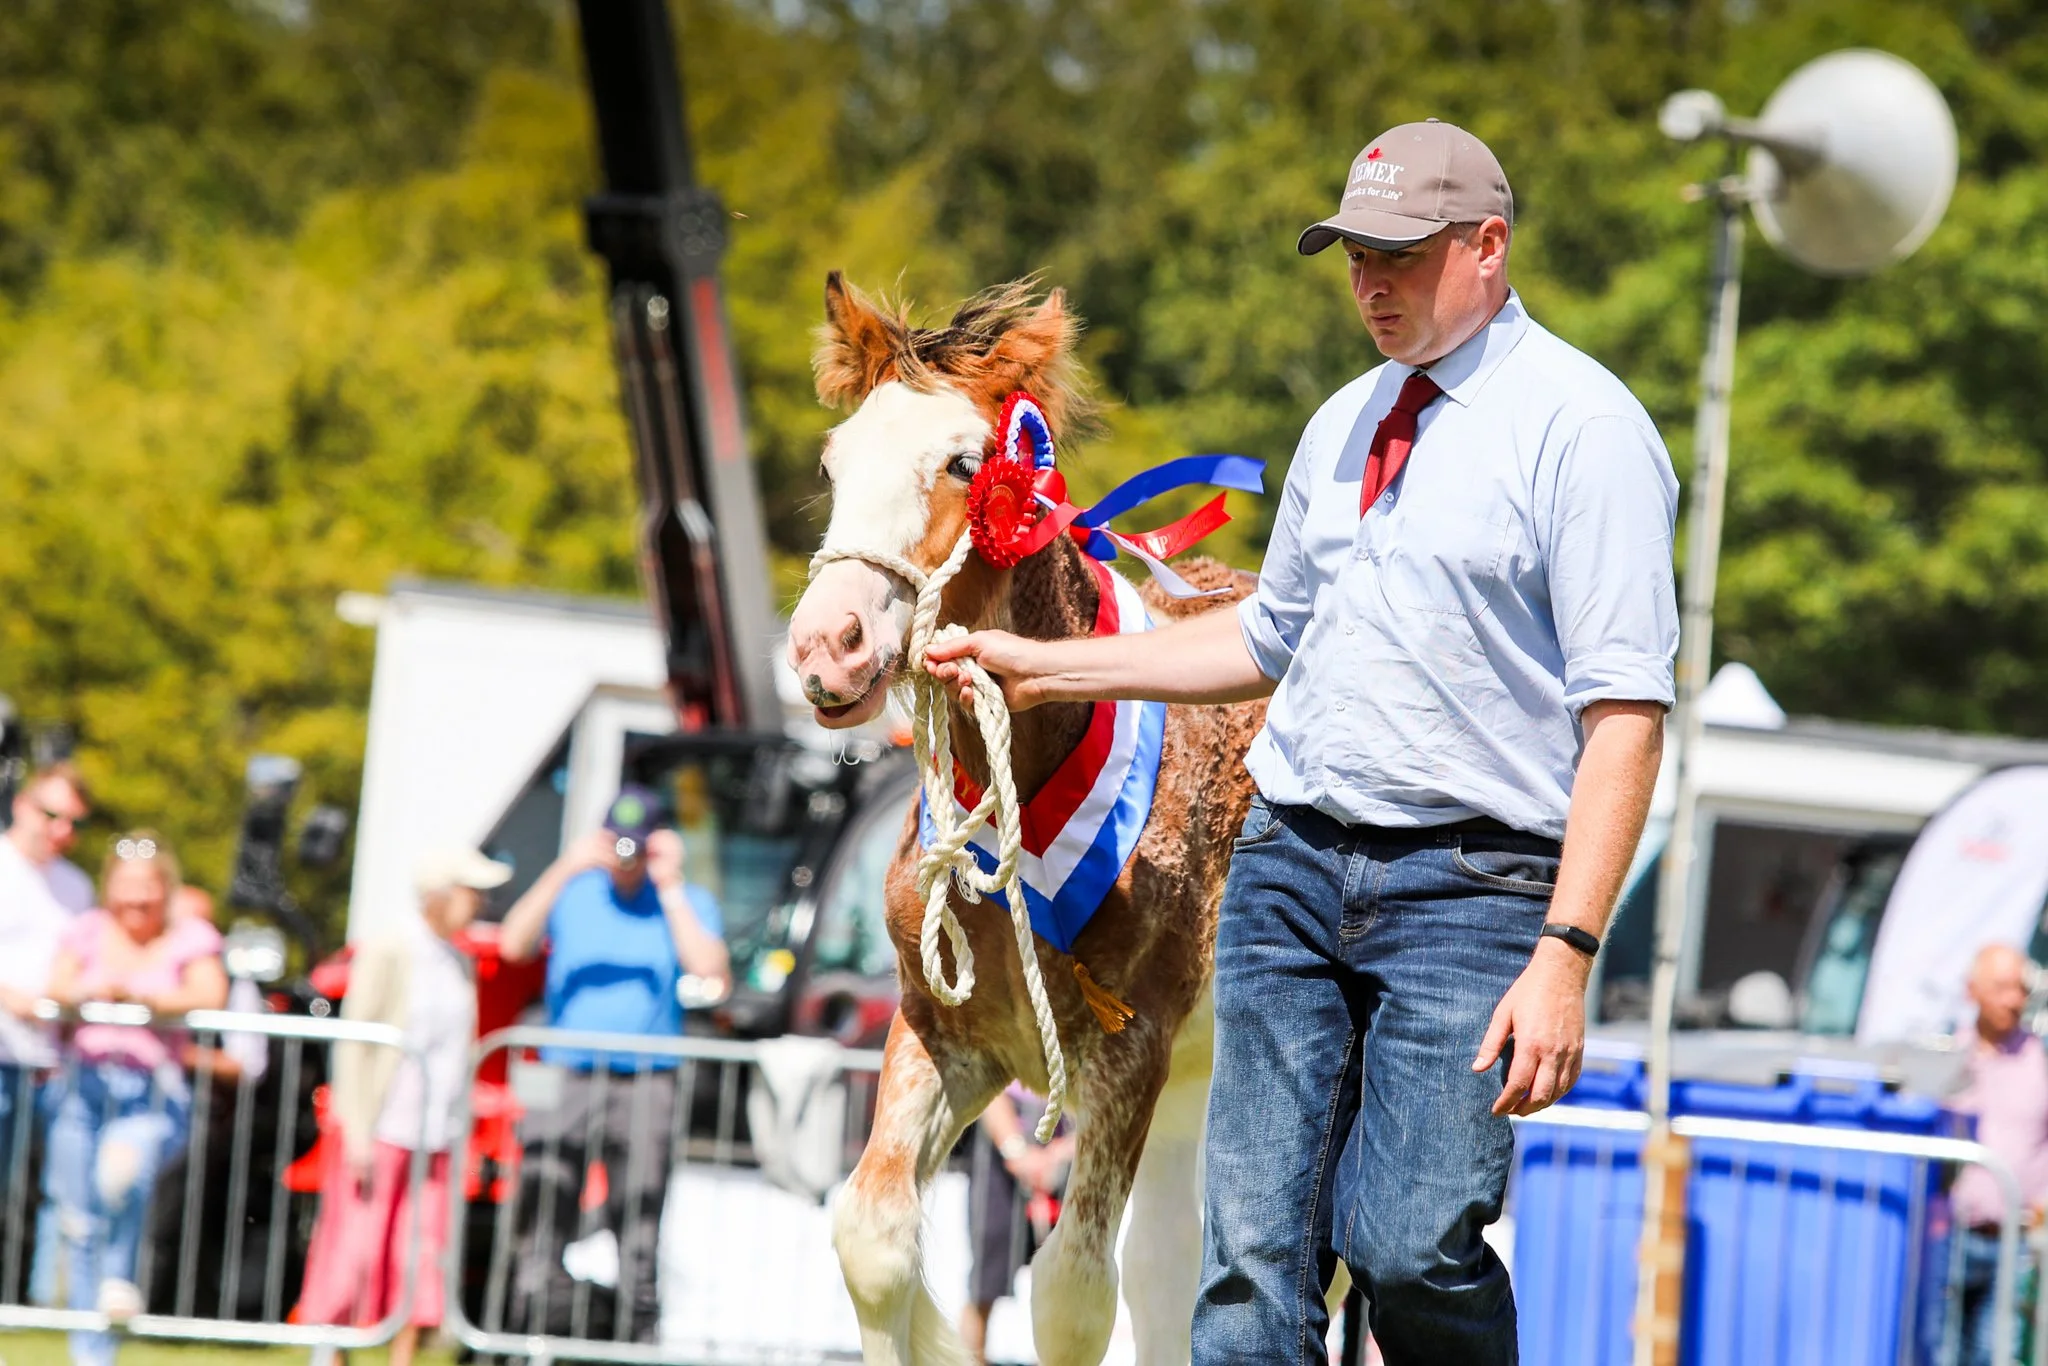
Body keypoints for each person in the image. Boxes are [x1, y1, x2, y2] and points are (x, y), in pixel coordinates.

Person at [928, 118, 1675, 1362]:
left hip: (1473, 890)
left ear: (1486, 247)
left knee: (1406, 1247)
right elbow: (1260, 645)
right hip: (1287, 869)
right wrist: (1042, 661)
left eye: (1397, 255)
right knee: (1250, 1265)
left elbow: (1625, 718)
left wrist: (1566, 952)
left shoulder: (1582, 431)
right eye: (1350, 257)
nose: (1366, 283)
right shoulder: (1341, 424)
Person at [498, 786, 730, 1343]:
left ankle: (635, 1340)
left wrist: (670, 884)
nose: (625, 858)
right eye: (616, 844)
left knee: (639, 1216)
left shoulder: (682, 898)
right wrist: (565, 865)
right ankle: (531, 1333)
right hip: (563, 1073)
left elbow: (713, 975)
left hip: (647, 1078)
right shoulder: (575, 892)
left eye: (637, 847)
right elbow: (512, 944)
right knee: (543, 1203)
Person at [294, 845, 511, 1366]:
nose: (478, 901)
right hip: (383, 1126)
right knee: (356, 1252)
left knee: (420, 1255)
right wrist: (358, 1130)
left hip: (436, 1133)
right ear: (439, 894)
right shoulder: (389, 948)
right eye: (469, 891)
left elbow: (462, 1051)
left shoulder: (460, 959)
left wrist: (466, 1129)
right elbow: (356, 1043)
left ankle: (402, 1359)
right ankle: (331, 1355)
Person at [41, 831, 227, 1366]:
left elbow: (208, 994)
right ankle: (90, 1355)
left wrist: (148, 999)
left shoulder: (189, 936)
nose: (136, 901)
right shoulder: (87, 930)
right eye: (126, 888)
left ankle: (120, 1281)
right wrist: (90, 994)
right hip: (83, 1086)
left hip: (149, 1091)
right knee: (80, 1221)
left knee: (118, 1183)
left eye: (147, 889)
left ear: (164, 889)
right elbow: (57, 988)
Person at [1947, 943, 2048, 1366]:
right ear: (1973, 991)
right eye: (2001, 987)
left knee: (1996, 1354)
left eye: (2020, 988)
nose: (2014, 999)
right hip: (1952, 1239)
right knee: (1942, 1349)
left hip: (2015, 1240)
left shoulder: (2039, 1056)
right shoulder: (1948, 1056)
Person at [0, 764, 94, 1189]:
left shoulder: (78, 886)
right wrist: (13, 1000)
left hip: (47, 1067)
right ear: (21, 805)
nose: (61, 830)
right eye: (51, 815)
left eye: (73, 822)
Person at [959, 1084, 1073, 1365]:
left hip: (1065, 1151)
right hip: (1001, 1153)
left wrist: (1056, 1157)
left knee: (1067, 1281)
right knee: (984, 1279)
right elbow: (989, 1083)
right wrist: (1017, 1152)